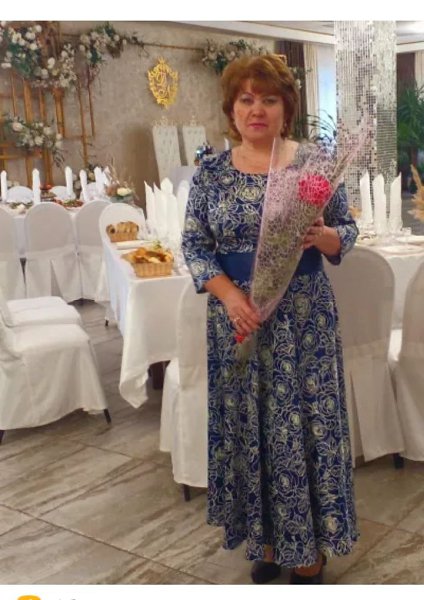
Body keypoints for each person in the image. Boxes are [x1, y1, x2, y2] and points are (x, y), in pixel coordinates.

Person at [181, 54, 359, 585]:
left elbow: (347, 231)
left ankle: (309, 549)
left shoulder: (314, 165)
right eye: (246, 99)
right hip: (241, 322)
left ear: (287, 108)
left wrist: (324, 237)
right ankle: (269, 540)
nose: (256, 109)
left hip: (303, 320)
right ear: (231, 109)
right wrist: (229, 296)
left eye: (269, 99)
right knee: (252, 429)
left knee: (304, 429)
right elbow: (194, 245)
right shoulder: (211, 173)